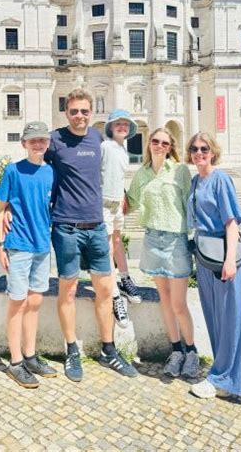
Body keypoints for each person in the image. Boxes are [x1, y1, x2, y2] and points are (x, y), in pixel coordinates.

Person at [46, 89, 138, 382]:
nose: (80, 116)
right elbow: (31, 165)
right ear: (66, 112)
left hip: (96, 225)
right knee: (68, 291)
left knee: (104, 289)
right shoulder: (54, 140)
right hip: (66, 227)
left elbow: (111, 171)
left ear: (92, 113)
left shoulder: (99, 140)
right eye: (74, 111)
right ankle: (72, 350)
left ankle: (108, 350)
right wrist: (7, 207)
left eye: (85, 111)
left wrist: (121, 196)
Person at [125, 127, 199, 379]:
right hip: (152, 239)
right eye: (155, 141)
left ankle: (192, 351)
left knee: (179, 304)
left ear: (170, 147)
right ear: (148, 144)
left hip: (175, 240)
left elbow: (191, 202)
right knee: (164, 302)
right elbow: (130, 202)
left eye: (164, 143)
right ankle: (176, 350)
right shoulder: (142, 174)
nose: (158, 145)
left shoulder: (179, 171)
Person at [186, 132, 241, 405]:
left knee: (231, 320)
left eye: (204, 149)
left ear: (212, 152)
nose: (199, 153)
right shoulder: (195, 180)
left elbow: (231, 221)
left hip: (223, 258)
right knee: (215, 319)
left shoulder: (220, 179)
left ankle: (222, 379)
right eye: (194, 149)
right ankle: (224, 378)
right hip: (204, 256)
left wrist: (229, 260)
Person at [0, 121, 58, 388]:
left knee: (34, 303)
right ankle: (16, 361)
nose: (38, 144)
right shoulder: (13, 170)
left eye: (42, 140)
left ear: (47, 144)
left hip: (42, 248)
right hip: (19, 246)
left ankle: (31, 355)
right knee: (17, 303)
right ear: (24, 144)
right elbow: (0, 209)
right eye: (32, 140)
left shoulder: (51, 172)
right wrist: (0, 244)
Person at [102, 109, 142, 328]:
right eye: (117, 124)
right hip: (104, 204)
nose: (122, 127)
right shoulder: (104, 146)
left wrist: (123, 195)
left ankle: (125, 278)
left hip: (117, 202)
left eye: (125, 125)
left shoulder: (123, 151)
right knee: (108, 246)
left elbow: (115, 176)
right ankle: (115, 295)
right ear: (110, 127)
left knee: (118, 241)